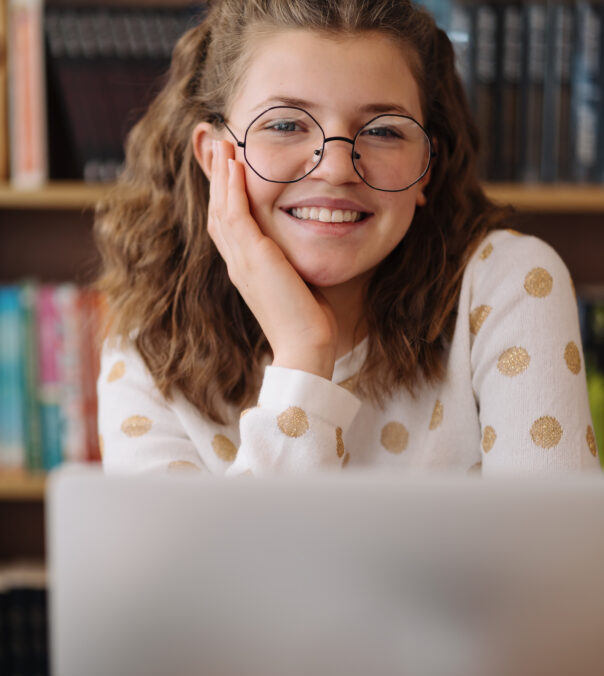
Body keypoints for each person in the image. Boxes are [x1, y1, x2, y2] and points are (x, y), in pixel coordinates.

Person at [95, 0, 599, 476]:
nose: (336, 169)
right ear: (215, 158)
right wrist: (303, 357)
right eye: (287, 124)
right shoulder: (146, 350)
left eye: (383, 131)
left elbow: (550, 564)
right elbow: (205, 572)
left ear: (426, 168)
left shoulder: (510, 283)